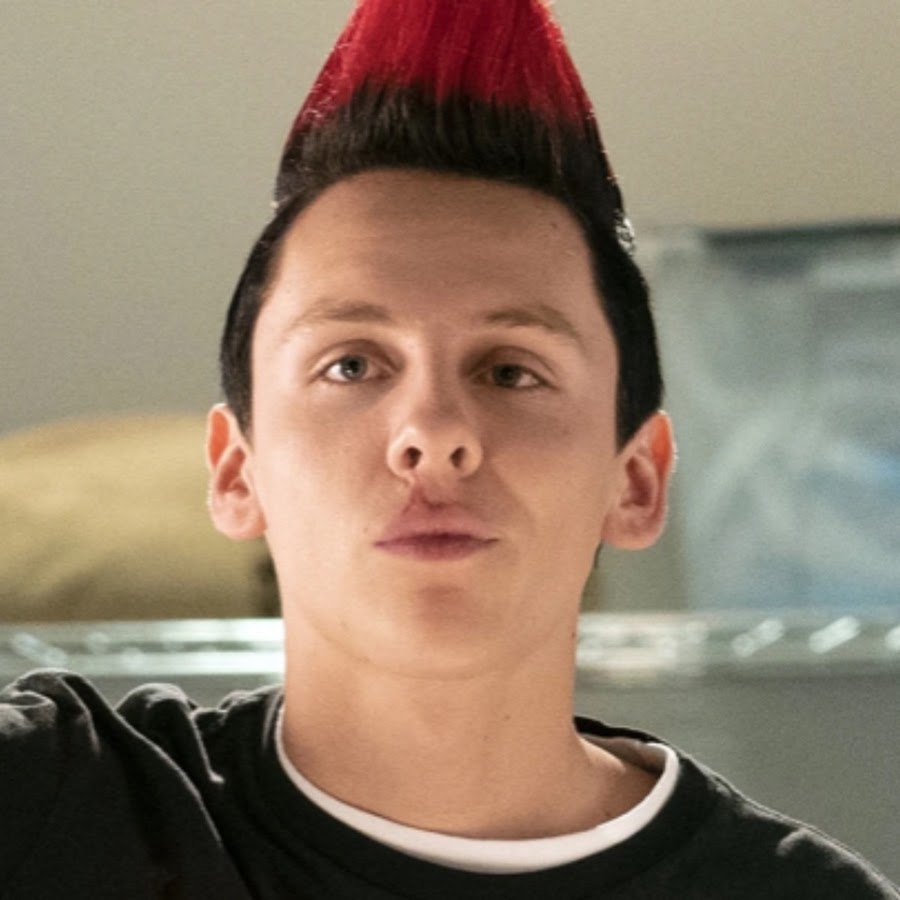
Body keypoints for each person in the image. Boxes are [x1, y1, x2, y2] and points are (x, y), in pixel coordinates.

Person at [1, 1, 896, 897]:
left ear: (636, 482)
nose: (433, 433)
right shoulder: (44, 802)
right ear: (238, 471)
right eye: (352, 365)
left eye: (511, 371)